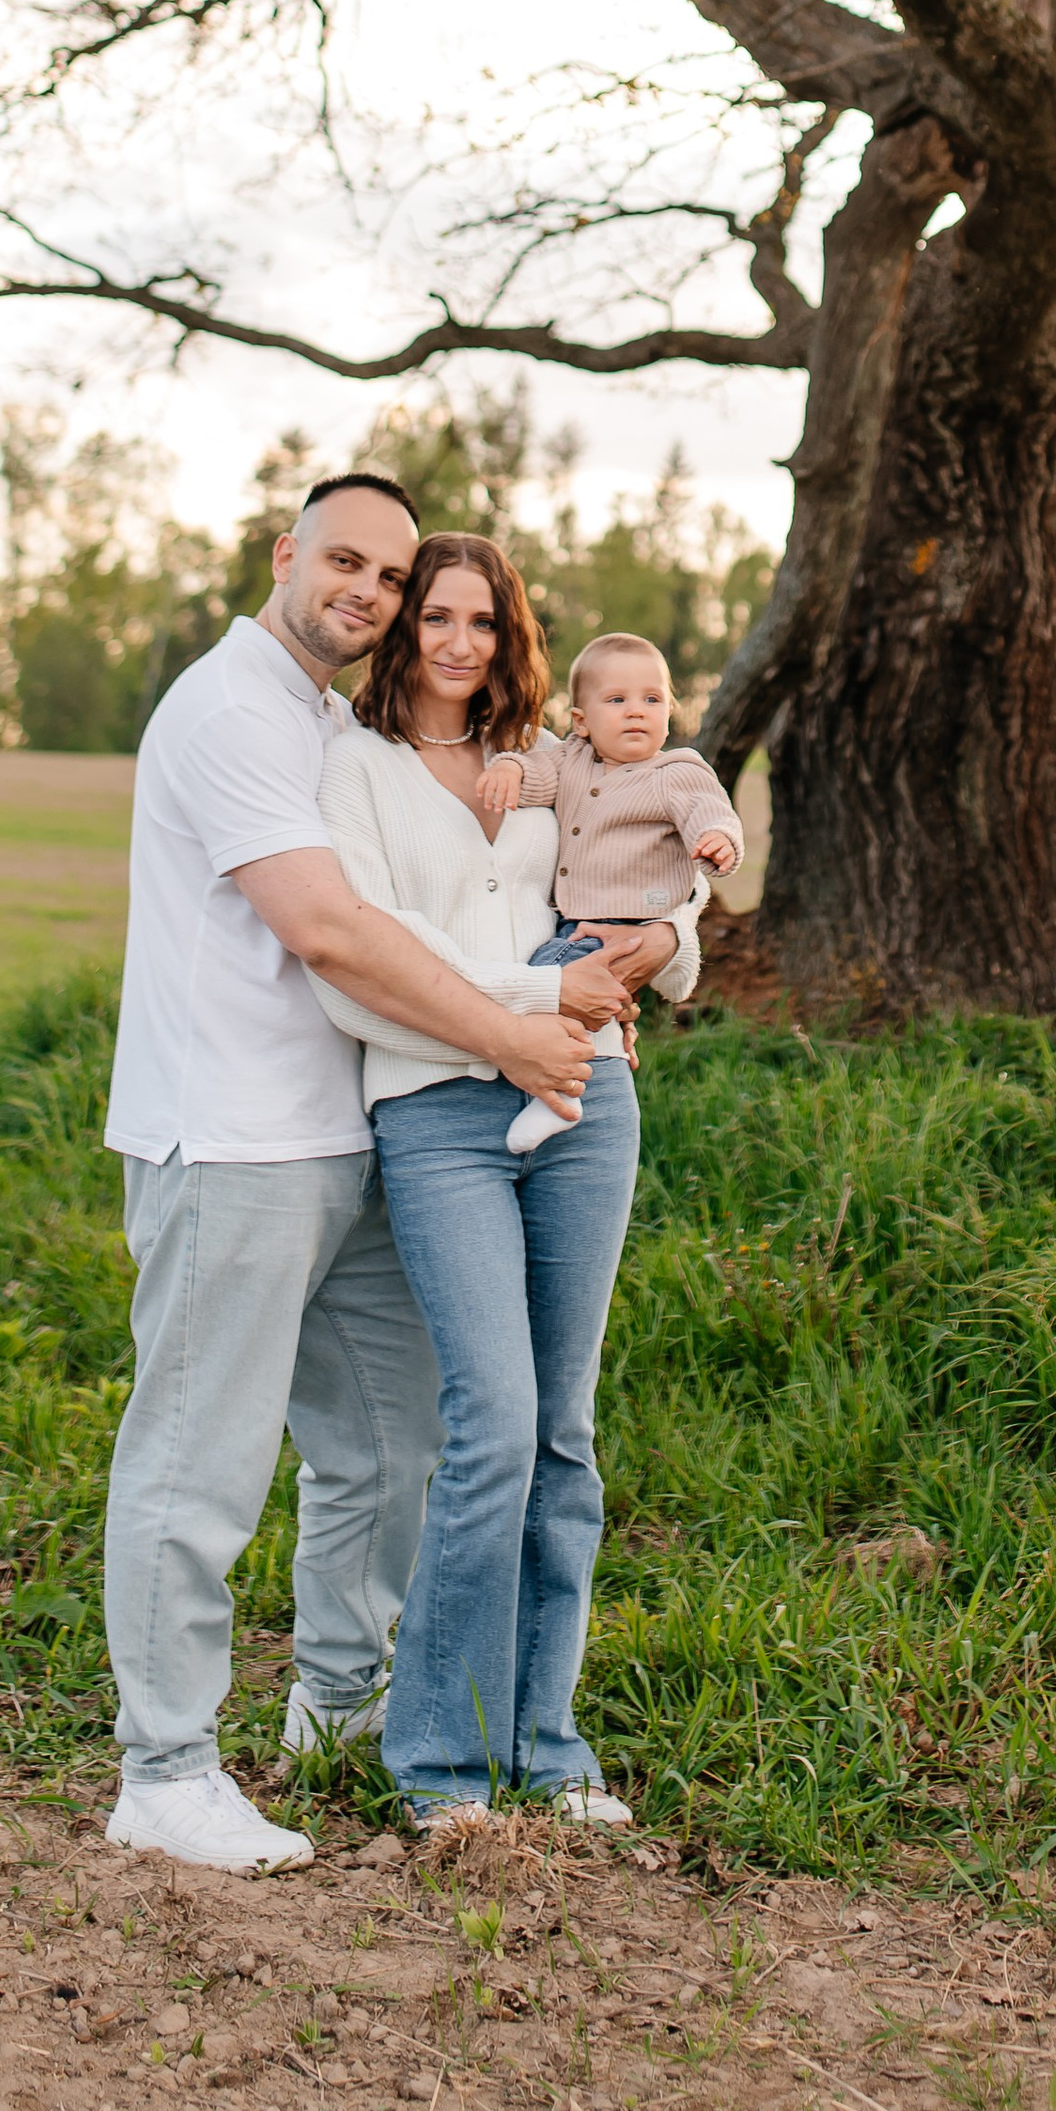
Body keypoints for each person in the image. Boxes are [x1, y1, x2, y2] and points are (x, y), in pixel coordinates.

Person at [99, 472, 600, 1877]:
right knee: (199, 1460)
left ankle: (335, 1698)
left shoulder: (325, 717)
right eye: (347, 562)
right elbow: (324, 928)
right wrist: (511, 1029)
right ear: (286, 553)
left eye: (390, 574)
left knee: (384, 1447)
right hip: (230, 1141)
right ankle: (165, 1771)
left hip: (348, 1139)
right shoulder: (231, 709)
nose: (368, 592)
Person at [310, 534, 689, 1826]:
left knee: (563, 1433)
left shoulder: (554, 758)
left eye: (484, 619)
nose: (460, 642)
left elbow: (653, 873)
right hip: (435, 1108)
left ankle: (547, 1743)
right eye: (436, 616)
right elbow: (372, 948)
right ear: (402, 626)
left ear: (510, 632)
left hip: (586, 1094)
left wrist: (665, 942)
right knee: (492, 1425)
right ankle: (439, 1760)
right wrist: (538, 994)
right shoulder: (355, 766)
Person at [476, 631, 742, 1151]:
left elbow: (710, 812)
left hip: (631, 921)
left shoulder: (675, 771)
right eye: (617, 700)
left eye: (652, 699)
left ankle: (561, 1096)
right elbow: (536, 776)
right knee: (566, 989)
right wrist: (508, 767)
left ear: (670, 711)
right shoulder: (571, 759)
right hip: (577, 920)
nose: (637, 711)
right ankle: (568, 1075)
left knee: (549, 981)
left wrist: (718, 840)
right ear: (581, 721)